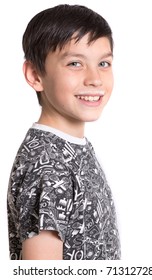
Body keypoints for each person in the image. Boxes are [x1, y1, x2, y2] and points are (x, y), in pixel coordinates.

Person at [7, 4, 121, 260]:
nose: (95, 79)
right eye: (75, 63)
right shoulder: (47, 165)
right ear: (35, 75)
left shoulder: (72, 146)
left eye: (104, 63)